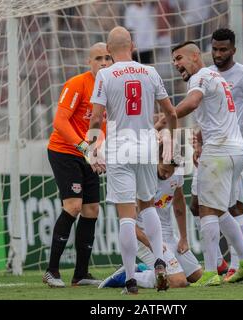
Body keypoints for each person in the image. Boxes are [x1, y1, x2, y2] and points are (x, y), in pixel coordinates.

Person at [87, 26, 178, 294]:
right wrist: (170, 141)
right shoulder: (150, 72)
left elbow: (95, 118)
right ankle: (160, 261)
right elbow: (170, 112)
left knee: (126, 216)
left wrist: (92, 150)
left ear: (108, 49)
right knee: (148, 206)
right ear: (133, 46)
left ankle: (130, 279)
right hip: (147, 146)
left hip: (119, 148)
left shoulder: (105, 74)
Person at [172, 41, 243, 285]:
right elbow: (216, 115)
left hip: (219, 151)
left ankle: (211, 272)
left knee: (206, 209)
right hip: (235, 150)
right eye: (174, 61)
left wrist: (164, 118)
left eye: (179, 58)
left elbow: (192, 103)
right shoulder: (217, 77)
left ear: (195, 56)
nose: (176, 64)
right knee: (220, 209)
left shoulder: (199, 77)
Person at [42, 42, 113, 288]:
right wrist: (84, 148)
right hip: (65, 151)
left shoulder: (112, 86)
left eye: (108, 58)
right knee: (73, 205)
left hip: (90, 153)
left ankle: (80, 274)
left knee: (92, 209)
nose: (104, 63)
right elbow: (59, 122)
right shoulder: (77, 84)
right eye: (98, 58)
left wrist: (98, 151)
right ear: (89, 62)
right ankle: (52, 271)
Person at [99, 147, 203, 289]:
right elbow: (128, 223)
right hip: (144, 237)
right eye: (164, 169)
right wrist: (151, 244)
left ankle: (141, 269)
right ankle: (127, 277)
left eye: (170, 171)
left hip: (168, 235)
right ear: (157, 160)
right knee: (178, 282)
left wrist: (184, 238)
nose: (167, 175)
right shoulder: (140, 178)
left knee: (196, 276)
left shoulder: (176, 173)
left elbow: (179, 204)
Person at [208, 28, 243, 280]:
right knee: (204, 206)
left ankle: (235, 264)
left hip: (234, 148)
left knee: (235, 204)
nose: (218, 54)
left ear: (233, 50)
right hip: (211, 149)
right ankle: (224, 261)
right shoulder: (207, 75)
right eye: (214, 49)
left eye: (223, 50)